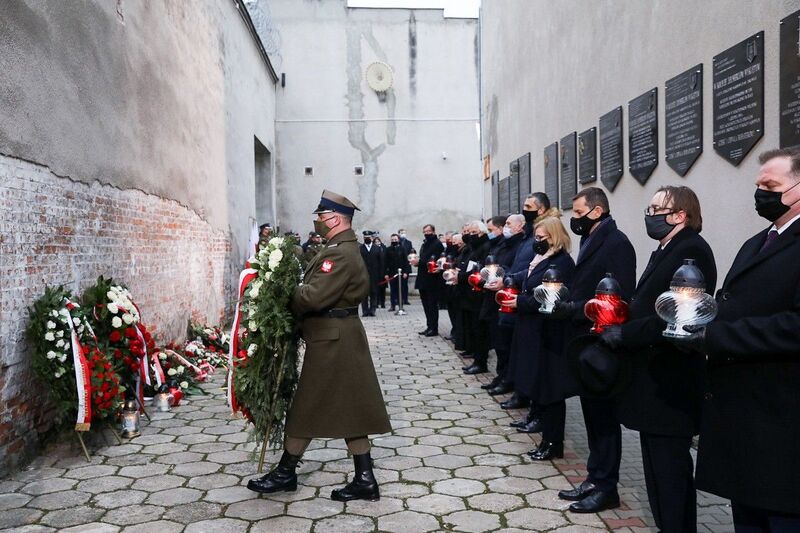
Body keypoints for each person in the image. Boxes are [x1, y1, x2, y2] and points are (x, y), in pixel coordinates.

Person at [673, 148, 800, 531]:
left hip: (781, 418)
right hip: (744, 417)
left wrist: (715, 336)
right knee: (747, 517)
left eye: (771, 185)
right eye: (758, 184)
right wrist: (694, 319)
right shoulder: (759, 241)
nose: (761, 192)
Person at [247, 190, 391, 501]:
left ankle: (286, 473)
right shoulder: (339, 247)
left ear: (336, 219)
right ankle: (364, 478)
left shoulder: (339, 253)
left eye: (322, 217)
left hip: (333, 339)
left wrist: (285, 290)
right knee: (350, 407)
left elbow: (313, 296)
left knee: (307, 404)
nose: (318, 222)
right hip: (336, 336)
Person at [598, 186, 715, 532]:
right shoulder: (666, 248)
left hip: (671, 382)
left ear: (680, 215)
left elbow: (675, 312)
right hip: (652, 379)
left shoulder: (691, 249)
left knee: (671, 476)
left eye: (656, 208)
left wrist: (626, 334)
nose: (649, 214)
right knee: (656, 473)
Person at [544, 187, 636, 513]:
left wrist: (574, 307)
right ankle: (595, 477)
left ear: (596, 211)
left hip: (602, 343)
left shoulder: (617, 242)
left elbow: (617, 296)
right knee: (593, 418)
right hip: (584, 340)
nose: (574, 218)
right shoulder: (593, 238)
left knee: (604, 419)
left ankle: (606, 486)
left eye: (579, 212)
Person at [504, 216, 575, 462]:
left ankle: (553, 442)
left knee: (550, 390)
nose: (538, 242)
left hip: (548, 332)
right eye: (536, 237)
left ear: (554, 237)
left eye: (542, 238)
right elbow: (530, 281)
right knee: (539, 386)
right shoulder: (541, 259)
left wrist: (520, 302)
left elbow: (549, 296)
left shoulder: (561, 262)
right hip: (532, 330)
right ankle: (545, 436)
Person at [499, 193, 556, 411]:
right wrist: (512, 277)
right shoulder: (528, 237)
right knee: (518, 357)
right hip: (522, 305)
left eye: (528, 206)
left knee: (535, 367)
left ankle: (530, 403)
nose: (524, 208)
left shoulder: (554, 256)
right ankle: (521, 395)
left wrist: (521, 299)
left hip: (534, 313)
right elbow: (527, 265)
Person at [480, 215, 524, 392]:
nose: (506, 227)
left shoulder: (519, 245)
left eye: (508, 224)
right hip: (494, 297)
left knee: (505, 344)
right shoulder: (503, 244)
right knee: (499, 342)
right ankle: (501, 375)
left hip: (507, 298)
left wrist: (503, 278)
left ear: (520, 226)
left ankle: (507, 378)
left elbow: (514, 268)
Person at [415, 224, 445, 336]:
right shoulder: (425, 243)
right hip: (423, 278)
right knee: (426, 305)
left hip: (432, 280)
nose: (426, 233)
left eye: (428, 231)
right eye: (424, 231)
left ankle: (434, 328)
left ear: (433, 231)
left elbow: (433, 260)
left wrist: (419, 262)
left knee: (432, 305)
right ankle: (429, 326)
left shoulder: (437, 244)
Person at [444, 233, 465, 346]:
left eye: (456, 242)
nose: (454, 244)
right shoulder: (454, 251)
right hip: (451, 285)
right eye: (453, 242)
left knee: (457, 313)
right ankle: (455, 331)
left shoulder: (463, 251)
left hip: (459, 285)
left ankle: (458, 334)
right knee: (452, 311)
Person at [384, 234, 411, 311]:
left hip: (401, 273)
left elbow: (406, 261)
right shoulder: (388, 249)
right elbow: (385, 262)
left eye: (395, 239)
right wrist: (385, 273)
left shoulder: (403, 249)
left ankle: (400, 306)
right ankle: (392, 305)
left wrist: (406, 272)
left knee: (400, 290)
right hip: (392, 273)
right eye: (392, 240)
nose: (394, 241)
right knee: (393, 290)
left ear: (398, 240)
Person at [359, 231, 383, 316]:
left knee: (374, 292)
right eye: (365, 237)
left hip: (374, 275)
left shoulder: (377, 248)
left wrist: (381, 275)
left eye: (368, 237)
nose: (367, 239)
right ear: (363, 238)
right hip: (363, 275)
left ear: (372, 238)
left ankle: (373, 310)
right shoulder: (360, 248)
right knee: (364, 294)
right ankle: (365, 311)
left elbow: (381, 262)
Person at [398, 228, 413, 305]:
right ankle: (398, 300)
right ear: (399, 234)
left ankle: (405, 299)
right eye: (401, 233)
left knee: (405, 284)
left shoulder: (409, 243)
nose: (403, 234)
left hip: (406, 266)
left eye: (404, 232)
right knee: (398, 284)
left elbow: (411, 253)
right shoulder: (397, 242)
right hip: (398, 265)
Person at [373, 236, 387, 309]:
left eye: (378, 241)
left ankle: (383, 303)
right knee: (376, 289)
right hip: (376, 272)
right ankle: (377, 302)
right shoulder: (373, 249)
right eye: (375, 242)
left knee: (383, 289)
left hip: (383, 271)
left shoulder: (384, 248)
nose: (377, 243)